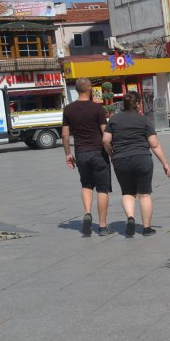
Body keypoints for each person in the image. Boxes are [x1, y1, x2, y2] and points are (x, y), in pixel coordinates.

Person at [103, 91, 170, 237]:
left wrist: (111, 154)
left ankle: (130, 217)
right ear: (139, 104)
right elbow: (154, 144)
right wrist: (165, 163)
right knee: (144, 194)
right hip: (142, 158)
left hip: (120, 159)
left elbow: (105, 140)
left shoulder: (113, 119)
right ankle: (146, 229)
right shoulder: (144, 120)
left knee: (128, 192)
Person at [62, 77, 111, 236]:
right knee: (102, 189)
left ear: (77, 89)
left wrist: (68, 154)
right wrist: (110, 151)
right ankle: (102, 226)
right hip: (98, 153)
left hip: (81, 153)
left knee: (86, 185)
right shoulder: (98, 109)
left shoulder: (68, 109)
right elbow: (105, 133)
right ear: (89, 88)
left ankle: (87, 213)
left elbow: (64, 135)